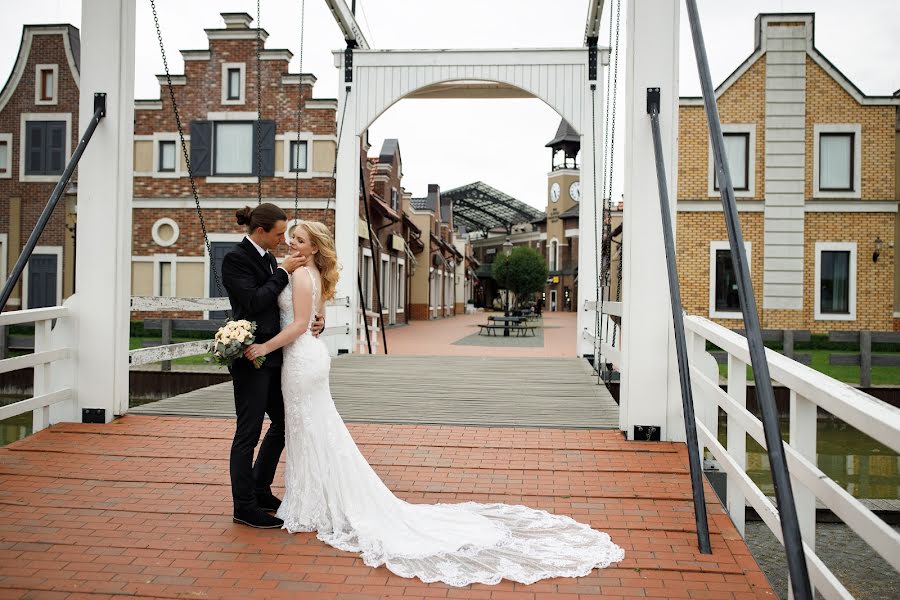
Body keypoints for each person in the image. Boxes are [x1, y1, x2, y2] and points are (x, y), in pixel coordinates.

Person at [245, 221, 624, 587]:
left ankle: (311, 502)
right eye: (291, 238)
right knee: (310, 430)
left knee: (309, 429)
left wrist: (264, 345)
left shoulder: (298, 274)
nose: (292, 243)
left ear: (314, 247)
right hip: (307, 358)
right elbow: (315, 315)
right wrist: (313, 314)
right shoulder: (307, 273)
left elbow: (296, 325)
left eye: (298, 239)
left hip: (299, 358)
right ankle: (312, 499)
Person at [221, 204, 323, 529]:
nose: (283, 240)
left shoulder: (267, 257)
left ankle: (260, 488)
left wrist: (313, 319)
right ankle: (244, 506)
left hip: (276, 356)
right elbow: (253, 301)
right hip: (251, 356)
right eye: (280, 233)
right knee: (248, 433)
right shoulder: (235, 259)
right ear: (261, 231)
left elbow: (287, 302)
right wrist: (283, 272)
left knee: (283, 423)